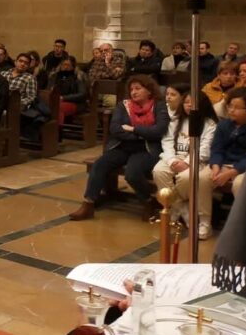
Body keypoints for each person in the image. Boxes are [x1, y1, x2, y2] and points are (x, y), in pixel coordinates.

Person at [69, 75, 168, 221]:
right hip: (122, 146)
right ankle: (88, 205)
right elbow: (115, 128)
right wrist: (140, 134)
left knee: (132, 174)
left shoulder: (159, 106)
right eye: (131, 89)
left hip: (145, 149)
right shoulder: (124, 105)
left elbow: (158, 130)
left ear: (149, 90)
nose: (134, 92)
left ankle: (148, 202)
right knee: (99, 164)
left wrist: (133, 129)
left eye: (138, 88)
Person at [153, 87, 217, 240]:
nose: (189, 106)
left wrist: (187, 162)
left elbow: (205, 149)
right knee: (159, 171)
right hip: (174, 158)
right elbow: (167, 142)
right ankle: (177, 208)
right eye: (186, 102)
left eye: (192, 103)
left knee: (185, 178)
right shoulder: (176, 120)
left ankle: (197, 219)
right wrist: (172, 160)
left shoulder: (209, 124)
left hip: (197, 160)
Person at [209, 88, 246, 197]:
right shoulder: (223, 125)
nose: (232, 110)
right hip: (223, 164)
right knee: (201, 178)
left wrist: (232, 172)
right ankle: (203, 214)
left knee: (239, 184)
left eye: (237, 107)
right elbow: (216, 150)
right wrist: (216, 167)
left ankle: (241, 214)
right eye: (230, 106)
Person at [49, 56, 88, 127]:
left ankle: (57, 131)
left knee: (59, 107)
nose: (65, 67)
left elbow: (82, 94)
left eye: (68, 65)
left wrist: (63, 98)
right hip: (57, 101)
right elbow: (48, 89)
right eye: (63, 64)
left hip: (75, 103)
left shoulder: (78, 76)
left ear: (73, 66)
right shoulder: (55, 76)